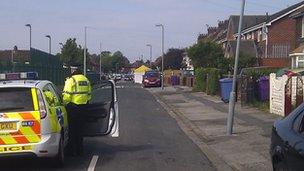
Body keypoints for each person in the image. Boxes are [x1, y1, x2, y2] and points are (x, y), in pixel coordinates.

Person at [62, 69, 91, 155]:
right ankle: (80, 150)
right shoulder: (86, 80)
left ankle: (71, 151)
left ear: (73, 71)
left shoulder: (71, 80)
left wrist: (64, 104)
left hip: (73, 107)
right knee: (80, 129)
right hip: (83, 107)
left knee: (72, 130)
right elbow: (89, 94)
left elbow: (66, 95)